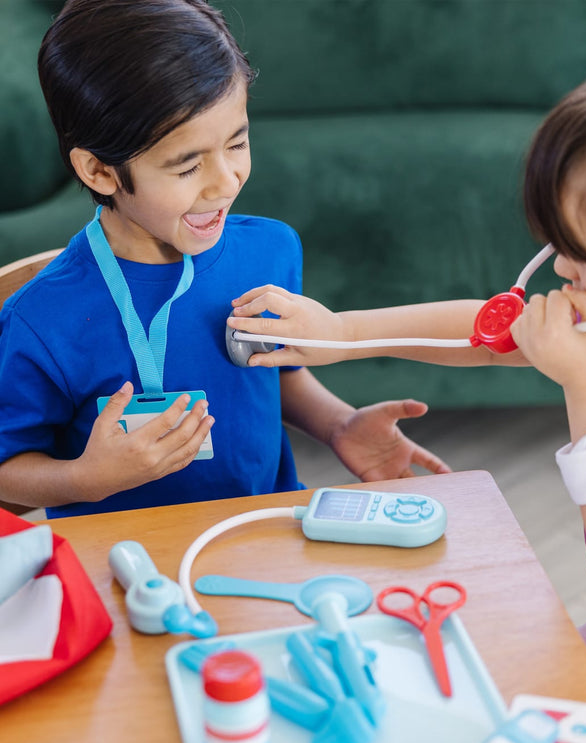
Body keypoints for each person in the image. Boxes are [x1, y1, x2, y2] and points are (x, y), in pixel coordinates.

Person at [228, 42, 586, 743]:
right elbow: (489, 331)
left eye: (580, 252)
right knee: (453, 705)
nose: (561, 268)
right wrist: (343, 331)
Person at [0, 0, 449, 519]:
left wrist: (337, 424)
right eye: (187, 165)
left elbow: (274, 370)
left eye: (237, 143)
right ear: (100, 172)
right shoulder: (42, 319)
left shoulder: (270, 250)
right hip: (122, 566)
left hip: (265, 531)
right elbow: (8, 467)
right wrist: (86, 479)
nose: (226, 181)